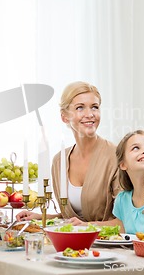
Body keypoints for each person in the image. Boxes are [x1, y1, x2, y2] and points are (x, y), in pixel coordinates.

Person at [16, 81, 120, 222]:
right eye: (80, 108)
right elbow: (73, 219)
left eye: (94, 107)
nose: (89, 114)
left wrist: (86, 228)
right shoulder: (59, 161)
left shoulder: (116, 157)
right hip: (71, 243)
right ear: (64, 117)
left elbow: (125, 220)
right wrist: (42, 217)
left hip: (107, 243)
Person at [73, 130, 144, 233]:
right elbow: (119, 226)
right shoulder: (122, 199)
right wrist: (85, 226)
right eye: (136, 148)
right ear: (123, 164)